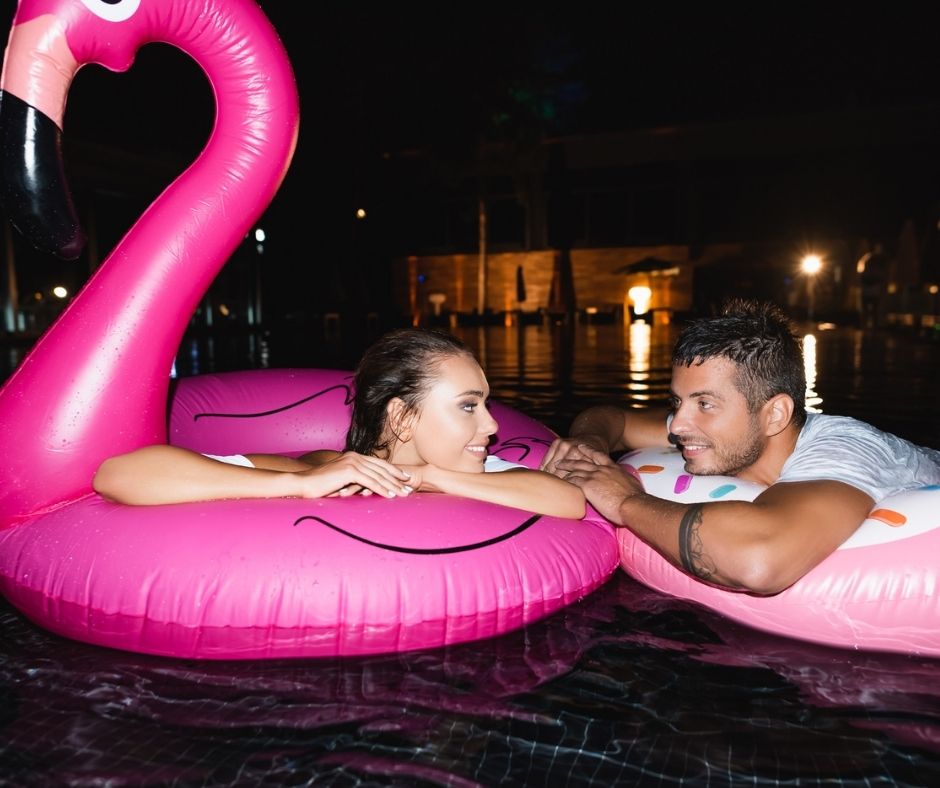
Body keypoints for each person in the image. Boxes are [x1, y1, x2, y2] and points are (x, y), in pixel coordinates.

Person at [539, 298, 940, 594]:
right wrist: (588, 443)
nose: (678, 424)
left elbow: (759, 561)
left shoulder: (847, 453)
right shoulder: (729, 429)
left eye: (705, 404)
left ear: (775, 415)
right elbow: (614, 419)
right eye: (678, 401)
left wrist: (626, 503)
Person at [94, 329, 585, 519]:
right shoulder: (326, 467)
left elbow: (567, 500)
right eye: (468, 406)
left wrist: (428, 478)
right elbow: (119, 475)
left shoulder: (480, 472)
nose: (492, 425)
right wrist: (299, 483)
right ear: (402, 416)